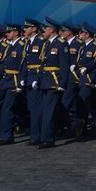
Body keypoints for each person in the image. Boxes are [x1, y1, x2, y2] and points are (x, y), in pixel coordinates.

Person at [36, 18, 69, 149]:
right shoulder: (47, 44)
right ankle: (74, 124)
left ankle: (48, 139)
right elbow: (43, 64)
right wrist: (38, 80)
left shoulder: (61, 44)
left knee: (48, 112)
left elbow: (64, 66)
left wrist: (62, 83)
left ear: (51, 30)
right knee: (45, 111)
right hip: (45, 81)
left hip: (54, 82)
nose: (43, 31)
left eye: (45, 29)